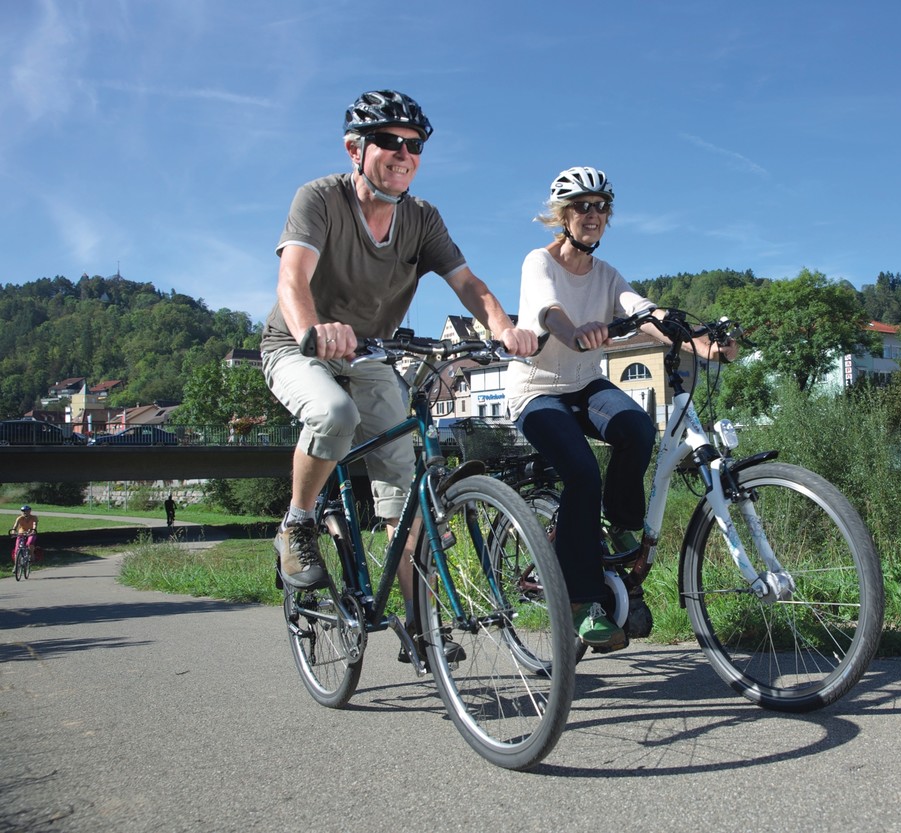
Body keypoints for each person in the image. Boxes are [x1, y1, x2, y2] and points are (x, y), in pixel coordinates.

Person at [260, 90, 537, 649]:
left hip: (370, 356)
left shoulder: (422, 218)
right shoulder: (320, 198)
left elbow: (468, 283)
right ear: (355, 149)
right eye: (389, 141)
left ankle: (421, 628)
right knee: (334, 413)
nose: (403, 154)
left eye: (414, 145)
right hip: (297, 346)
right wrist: (314, 329)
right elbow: (292, 278)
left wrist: (503, 327)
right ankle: (298, 523)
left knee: (405, 503)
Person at [505, 167, 736, 650]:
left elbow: (644, 313)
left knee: (638, 428)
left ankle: (617, 524)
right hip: (536, 391)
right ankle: (581, 601)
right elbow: (549, 311)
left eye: (601, 207)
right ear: (563, 215)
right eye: (582, 206)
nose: (593, 215)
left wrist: (701, 344)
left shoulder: (606, 275)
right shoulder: (539, 262)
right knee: (582, 473)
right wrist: (575, 333)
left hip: (584, 384)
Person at [10, 505, 38, 569]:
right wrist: (13, 531)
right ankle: (16, 566)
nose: (25, 512)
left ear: (30, 511)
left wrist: (33, 530)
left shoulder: (34, 518)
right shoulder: (20, 518)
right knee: (17, 549)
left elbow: (34, 525)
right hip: (21, 533)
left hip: (31, 533)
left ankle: (31, 555)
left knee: (30, 543)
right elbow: (15, 526)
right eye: (23, 511)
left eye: (26, 511)